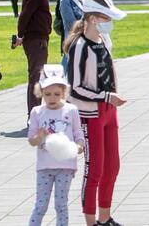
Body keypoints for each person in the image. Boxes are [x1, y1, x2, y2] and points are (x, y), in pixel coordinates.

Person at [65, 0, 127, 226]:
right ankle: (91, 221)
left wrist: (111, 98)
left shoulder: (103, 39)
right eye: (105, 17)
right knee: (95, 170)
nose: (108, 21)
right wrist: (106, 96)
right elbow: (76, 88)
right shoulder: (80, 46)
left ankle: (104, 217)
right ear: (92, 17)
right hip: (90, 113)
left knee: (112, 167)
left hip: (110, 112)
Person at [28, 73, 85, 226]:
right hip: (44, 167)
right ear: (41, 93)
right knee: (40, 205)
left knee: (61, 205)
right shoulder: (36, 112)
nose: (52, 98)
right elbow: (32, 141)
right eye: (47, 94)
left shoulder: (71, 110)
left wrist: (79, 146)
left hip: (65, 167)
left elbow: (78, 134)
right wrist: (39, 137)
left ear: (64, 93)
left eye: (57, 94)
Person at [13, 0, 57, 117]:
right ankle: (34, 114)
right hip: (36, 40)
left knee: (36, 76)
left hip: (35, 39)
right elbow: (25, 14)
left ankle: (35, 112)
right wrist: (20, 34)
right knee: (36, 78)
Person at [57, 0, 84, 72]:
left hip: (86, 45)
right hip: (73, 46)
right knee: (68, 81)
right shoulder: (65, 1)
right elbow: (72, 24)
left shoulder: (85, 0)